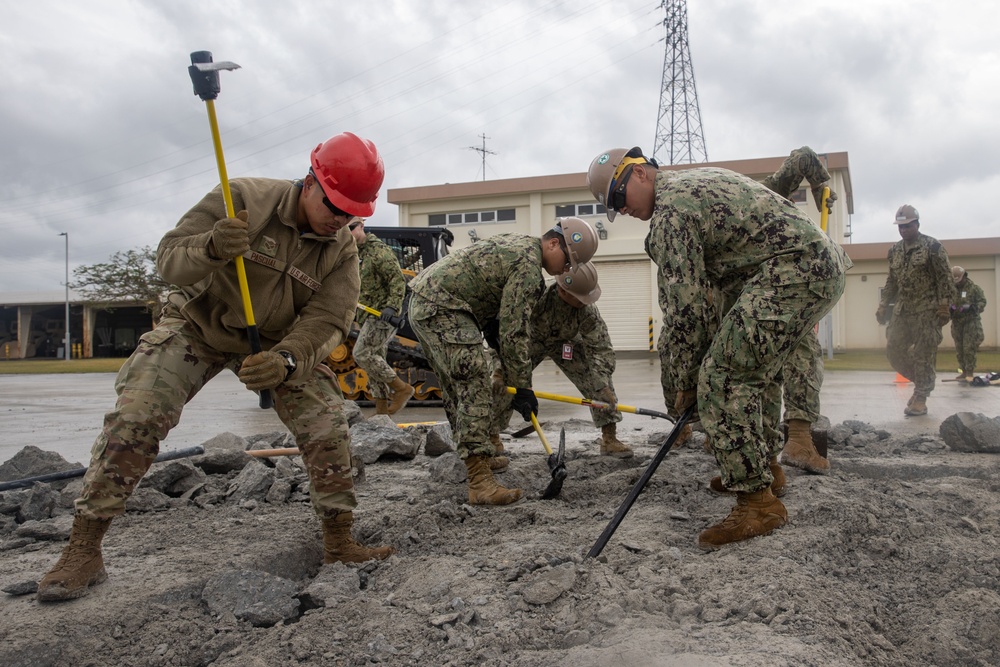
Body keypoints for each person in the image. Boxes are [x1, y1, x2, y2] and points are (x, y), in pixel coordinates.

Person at [37, 132, 395, 602]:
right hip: (198, 328)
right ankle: (84, 547)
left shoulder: (341, 249)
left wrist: (286, 360)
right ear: (310, 182)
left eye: (353, 213)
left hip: (273, 346)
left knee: (329, 425)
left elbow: (329, 318)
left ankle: (339, 541)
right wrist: (209, 247)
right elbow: (169, 260)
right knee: (139, 414)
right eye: (334, 207)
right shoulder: (244, 199)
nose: (341, 221)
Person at [587, 145, 848, 551]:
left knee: (722, 377)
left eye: (619, 198)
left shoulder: (671, 213)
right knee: (755, 373)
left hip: (796, 269)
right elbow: (705, 304)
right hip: (811, 266)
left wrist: (687, 383)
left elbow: (685, 312)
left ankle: (757, 503)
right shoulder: (694, 182)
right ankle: (766, 470)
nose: (621, 210)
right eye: (612, 208)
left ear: (640, 174)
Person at [407, 218, 598, 505]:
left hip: (427, 302)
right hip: (444, 307)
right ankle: (479, 480)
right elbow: (515, 332)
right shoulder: (529, 269)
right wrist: (522, 387)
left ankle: (476, 458)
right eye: (569, 262)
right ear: (554, 243)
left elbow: (487, 292)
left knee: (455, 385)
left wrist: (491, 328)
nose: (567, 270)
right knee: (475, 384)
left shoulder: (520, 244)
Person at [488, 261, 633, 466]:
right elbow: (506, 332)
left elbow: (600, 347)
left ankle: (609, 437)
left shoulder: (587, 310)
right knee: (503, 382)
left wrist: (602, 383)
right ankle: (492, 437)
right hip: (527, 341)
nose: (585, 302)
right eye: (580, 298)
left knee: (598, 379)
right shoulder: (533, 296)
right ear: (564, 291)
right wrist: (498, 365)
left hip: (566, 343)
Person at [876, 205, 955, 416]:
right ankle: (923, 382)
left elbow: (945, 279)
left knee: (923, 355)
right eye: (900, 226)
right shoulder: (894, 251)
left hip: (927, 311)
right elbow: (891, 281)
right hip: (903, 311)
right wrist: (884, 304)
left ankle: (921, 396)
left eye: (908, 225)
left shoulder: (933, 247)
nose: (903, 230)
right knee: (893, 350)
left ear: (917, 224)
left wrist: (944, 306)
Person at [348, 217, 413, 414]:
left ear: (361, 226)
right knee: (375, 360)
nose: (347, 233)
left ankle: (402, 389)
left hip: (382, 315)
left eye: (351, 228)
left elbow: (397, 280)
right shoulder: (357, 253)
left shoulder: (378, 251)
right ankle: (382, 410)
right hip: (367, 314)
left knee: (361, 353)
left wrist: (391, 307)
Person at [949, 266, 987, 382]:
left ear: (965, 276)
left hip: (971, 322)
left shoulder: (974, 289)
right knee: (959, 348)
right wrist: (949, 308)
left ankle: (969, 371)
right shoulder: (951, 289)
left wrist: (973, 307)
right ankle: (963, 371)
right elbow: (946, 301)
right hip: (957, 323)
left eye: (959, 280)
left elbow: (982, 301)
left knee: (968, 348)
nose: (958, 283)